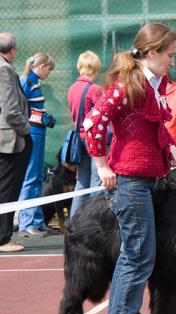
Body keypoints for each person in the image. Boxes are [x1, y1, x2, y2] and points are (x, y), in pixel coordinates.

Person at [84, 22, 176, 314]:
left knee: (138, 251)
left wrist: (168, 146)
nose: (172, 60)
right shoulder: (128, 86)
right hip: (130, 182)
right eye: (168, 54)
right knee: (139, 253)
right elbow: (92, 122)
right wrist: (101, 164)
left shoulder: (153, 83)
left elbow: (154, 126)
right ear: (152, 52)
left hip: (145, 180)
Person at [18, 52, 56, 237]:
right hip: (32, 133)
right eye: (49, 68)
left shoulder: (36, 83)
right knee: (30, 177)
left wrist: (43, 116)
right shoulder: (26, 81)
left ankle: (37, 220)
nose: (49, 72)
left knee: (38, 176)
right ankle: (27, 223)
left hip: (39, 133)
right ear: (41, 66)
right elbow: (20, 109)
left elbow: (33, 107)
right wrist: (41, 117)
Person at [0, 33, 31, 252]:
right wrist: (26, 129)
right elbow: (11, 110)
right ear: (13, 50)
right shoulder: (5, 69)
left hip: (7, 138)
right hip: (10, 140)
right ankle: (3, 238)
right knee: (7, 190)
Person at [68, 50, 105, 217]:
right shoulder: (94, 89)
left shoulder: (72, 88)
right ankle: (92, 220)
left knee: (81, 183)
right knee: (96, 182)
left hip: (79, 140)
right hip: (93, 141)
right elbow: (103, 115)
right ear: (96, 68)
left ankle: (75, 220)